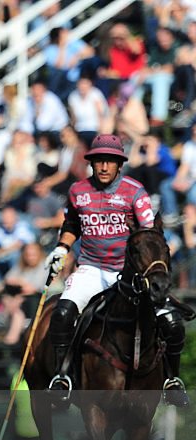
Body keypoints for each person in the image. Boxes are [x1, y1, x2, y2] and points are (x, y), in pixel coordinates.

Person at [45, 134, 188, 406]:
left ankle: (171, 380)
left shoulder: (135, 192)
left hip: (129, 272)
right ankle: (63, 377)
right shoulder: (78, 191)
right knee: (63, 314)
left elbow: (149, 234)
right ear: (92, 163)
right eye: (99, 161)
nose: (103, 167)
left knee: (170, 321)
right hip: (90, 268)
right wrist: (62, 250)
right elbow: (72, 224)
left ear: (119, 164)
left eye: (109, 162)